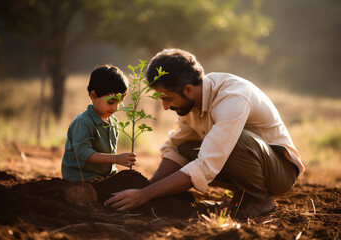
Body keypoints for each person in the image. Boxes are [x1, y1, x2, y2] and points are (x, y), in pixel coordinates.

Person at [104, 49, 305, 219]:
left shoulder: (232, 98)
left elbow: (207, 165)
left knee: (235, 142)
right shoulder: (191, 104)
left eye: (168, 99)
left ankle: (260, 202)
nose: (165, 107)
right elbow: (175, 148)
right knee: (185, 147)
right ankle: (241, 199)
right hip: (254, 164)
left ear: (189, 89)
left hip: (279, 173)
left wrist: (145, 195)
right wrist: (145, 188)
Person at [62, 64, 136, 181]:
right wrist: (116, 158)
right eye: (111, 102)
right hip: (82, 178)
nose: (115, 108)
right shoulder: (84, 122)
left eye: (119, 102)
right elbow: (83, 153)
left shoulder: (113, 122)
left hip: (104, 177)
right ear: (94, 96)